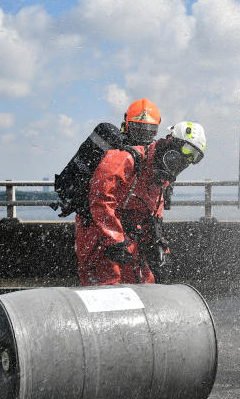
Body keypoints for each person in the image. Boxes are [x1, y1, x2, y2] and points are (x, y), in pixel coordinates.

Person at [75, 120, 207, 285]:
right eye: (186, 151)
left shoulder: (161, 179)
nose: (184, 162)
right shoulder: (126, 158)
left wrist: (160, 248)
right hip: (98, 234)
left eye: (192, 158)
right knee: (106, 282)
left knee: (145, 284)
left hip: (126, 239)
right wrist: (114, 240)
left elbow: (153, 217)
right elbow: (100, 198)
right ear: (170, 141)